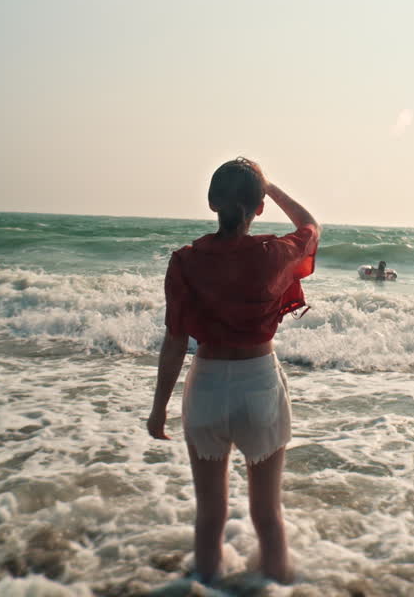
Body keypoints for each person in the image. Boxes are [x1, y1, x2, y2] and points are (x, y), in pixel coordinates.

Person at [146, 158, 318, 585]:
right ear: (258, 208)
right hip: (258, 384)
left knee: (209, 515)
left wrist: (158, 409)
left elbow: (174, 342)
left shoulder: (185, 261)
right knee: (267, 514)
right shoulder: (273, 253)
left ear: (211, 202)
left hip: (204, 389)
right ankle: (277, 588)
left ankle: (204, 586)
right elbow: (311, 227)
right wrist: (271, 188)